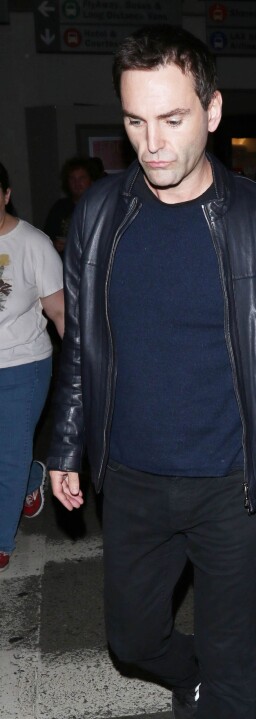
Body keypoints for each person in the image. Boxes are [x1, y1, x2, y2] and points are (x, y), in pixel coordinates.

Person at [46, 24, 256, 719]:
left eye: (172, 119)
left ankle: (217, 690)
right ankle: (191, 676)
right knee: (132, 638)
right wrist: (64, 443)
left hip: (232, 482)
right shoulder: (98, 213)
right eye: (136, 121)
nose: (152, 143)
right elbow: (82, 340)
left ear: (211, 111)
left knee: (232, 664)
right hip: (132, 476)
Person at [0, 161, 64, 573]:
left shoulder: (33, 244)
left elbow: (59, 312)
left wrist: (82, 369)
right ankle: (30, 474)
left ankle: (2, 542)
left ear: (5, 195)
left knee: (7, 455)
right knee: (11, 456)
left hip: (23, 366)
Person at [43, 156, 95, 253]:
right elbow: (46, 238)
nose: (77, 183)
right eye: (72, 179)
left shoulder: (100, 207)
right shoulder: (60, 207)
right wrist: (54, 245)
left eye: (82, 178)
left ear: (91, 180)